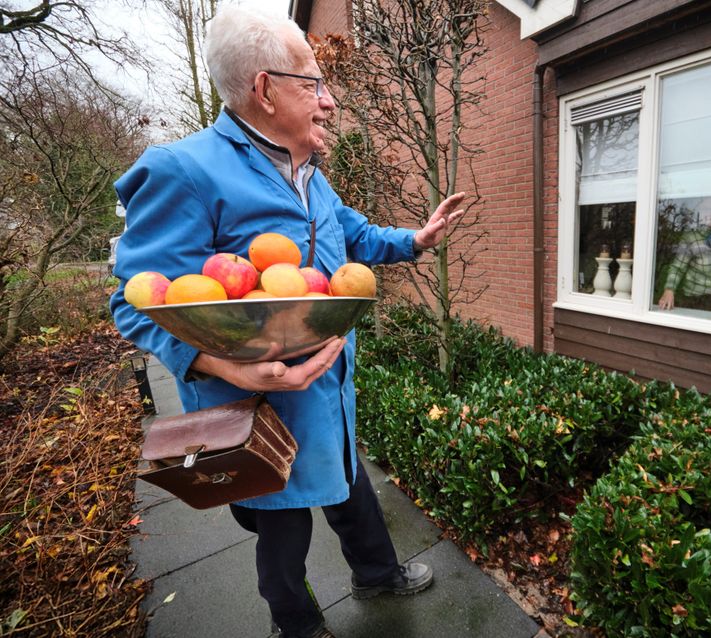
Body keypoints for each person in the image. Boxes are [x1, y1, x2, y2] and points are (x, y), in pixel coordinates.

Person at [109, 9, 466, 638]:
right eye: (313, 85)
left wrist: (416, 239)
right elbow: (134, 302)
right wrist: (225, 364)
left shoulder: (308, 173)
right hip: (262, 402)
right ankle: (295, 624)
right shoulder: (184, 171)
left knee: (351, 483)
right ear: (265, 90)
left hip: (330, 385)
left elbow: (349, 232)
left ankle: (376, 573)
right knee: (285, 524)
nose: (329, 103)